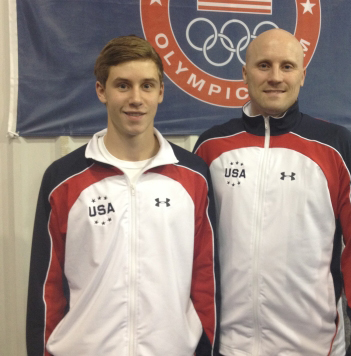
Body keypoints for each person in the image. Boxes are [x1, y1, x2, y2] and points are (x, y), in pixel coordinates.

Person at [26, 35, 220, 356]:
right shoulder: (63, 180)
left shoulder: (194, 176)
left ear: (161, 92)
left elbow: (206, 280)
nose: (136, 98)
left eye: (146, 85)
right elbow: (46, 289)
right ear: (102, 91)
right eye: (122, 85)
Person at [193, 29, 351, 356]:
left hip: (316, 347)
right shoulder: (211, 148)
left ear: (303, 75)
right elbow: (195, 255)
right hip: (231, 347)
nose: (275, 77)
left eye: (288, 66)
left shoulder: (336, 147)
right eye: (264, 65)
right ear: (245, 73)